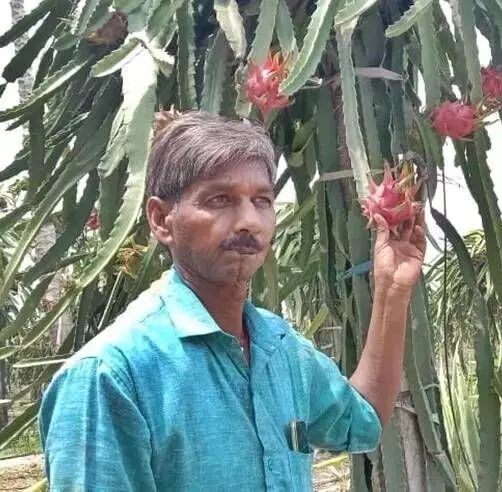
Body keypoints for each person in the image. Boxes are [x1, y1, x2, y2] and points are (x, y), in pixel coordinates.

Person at [38, 111, 427, 491]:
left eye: (261, 200)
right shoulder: (109, 377)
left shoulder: (279, 349)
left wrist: (392, 291)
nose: (249, 221)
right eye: (219, 199)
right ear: (161, 220)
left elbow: (361, 421)